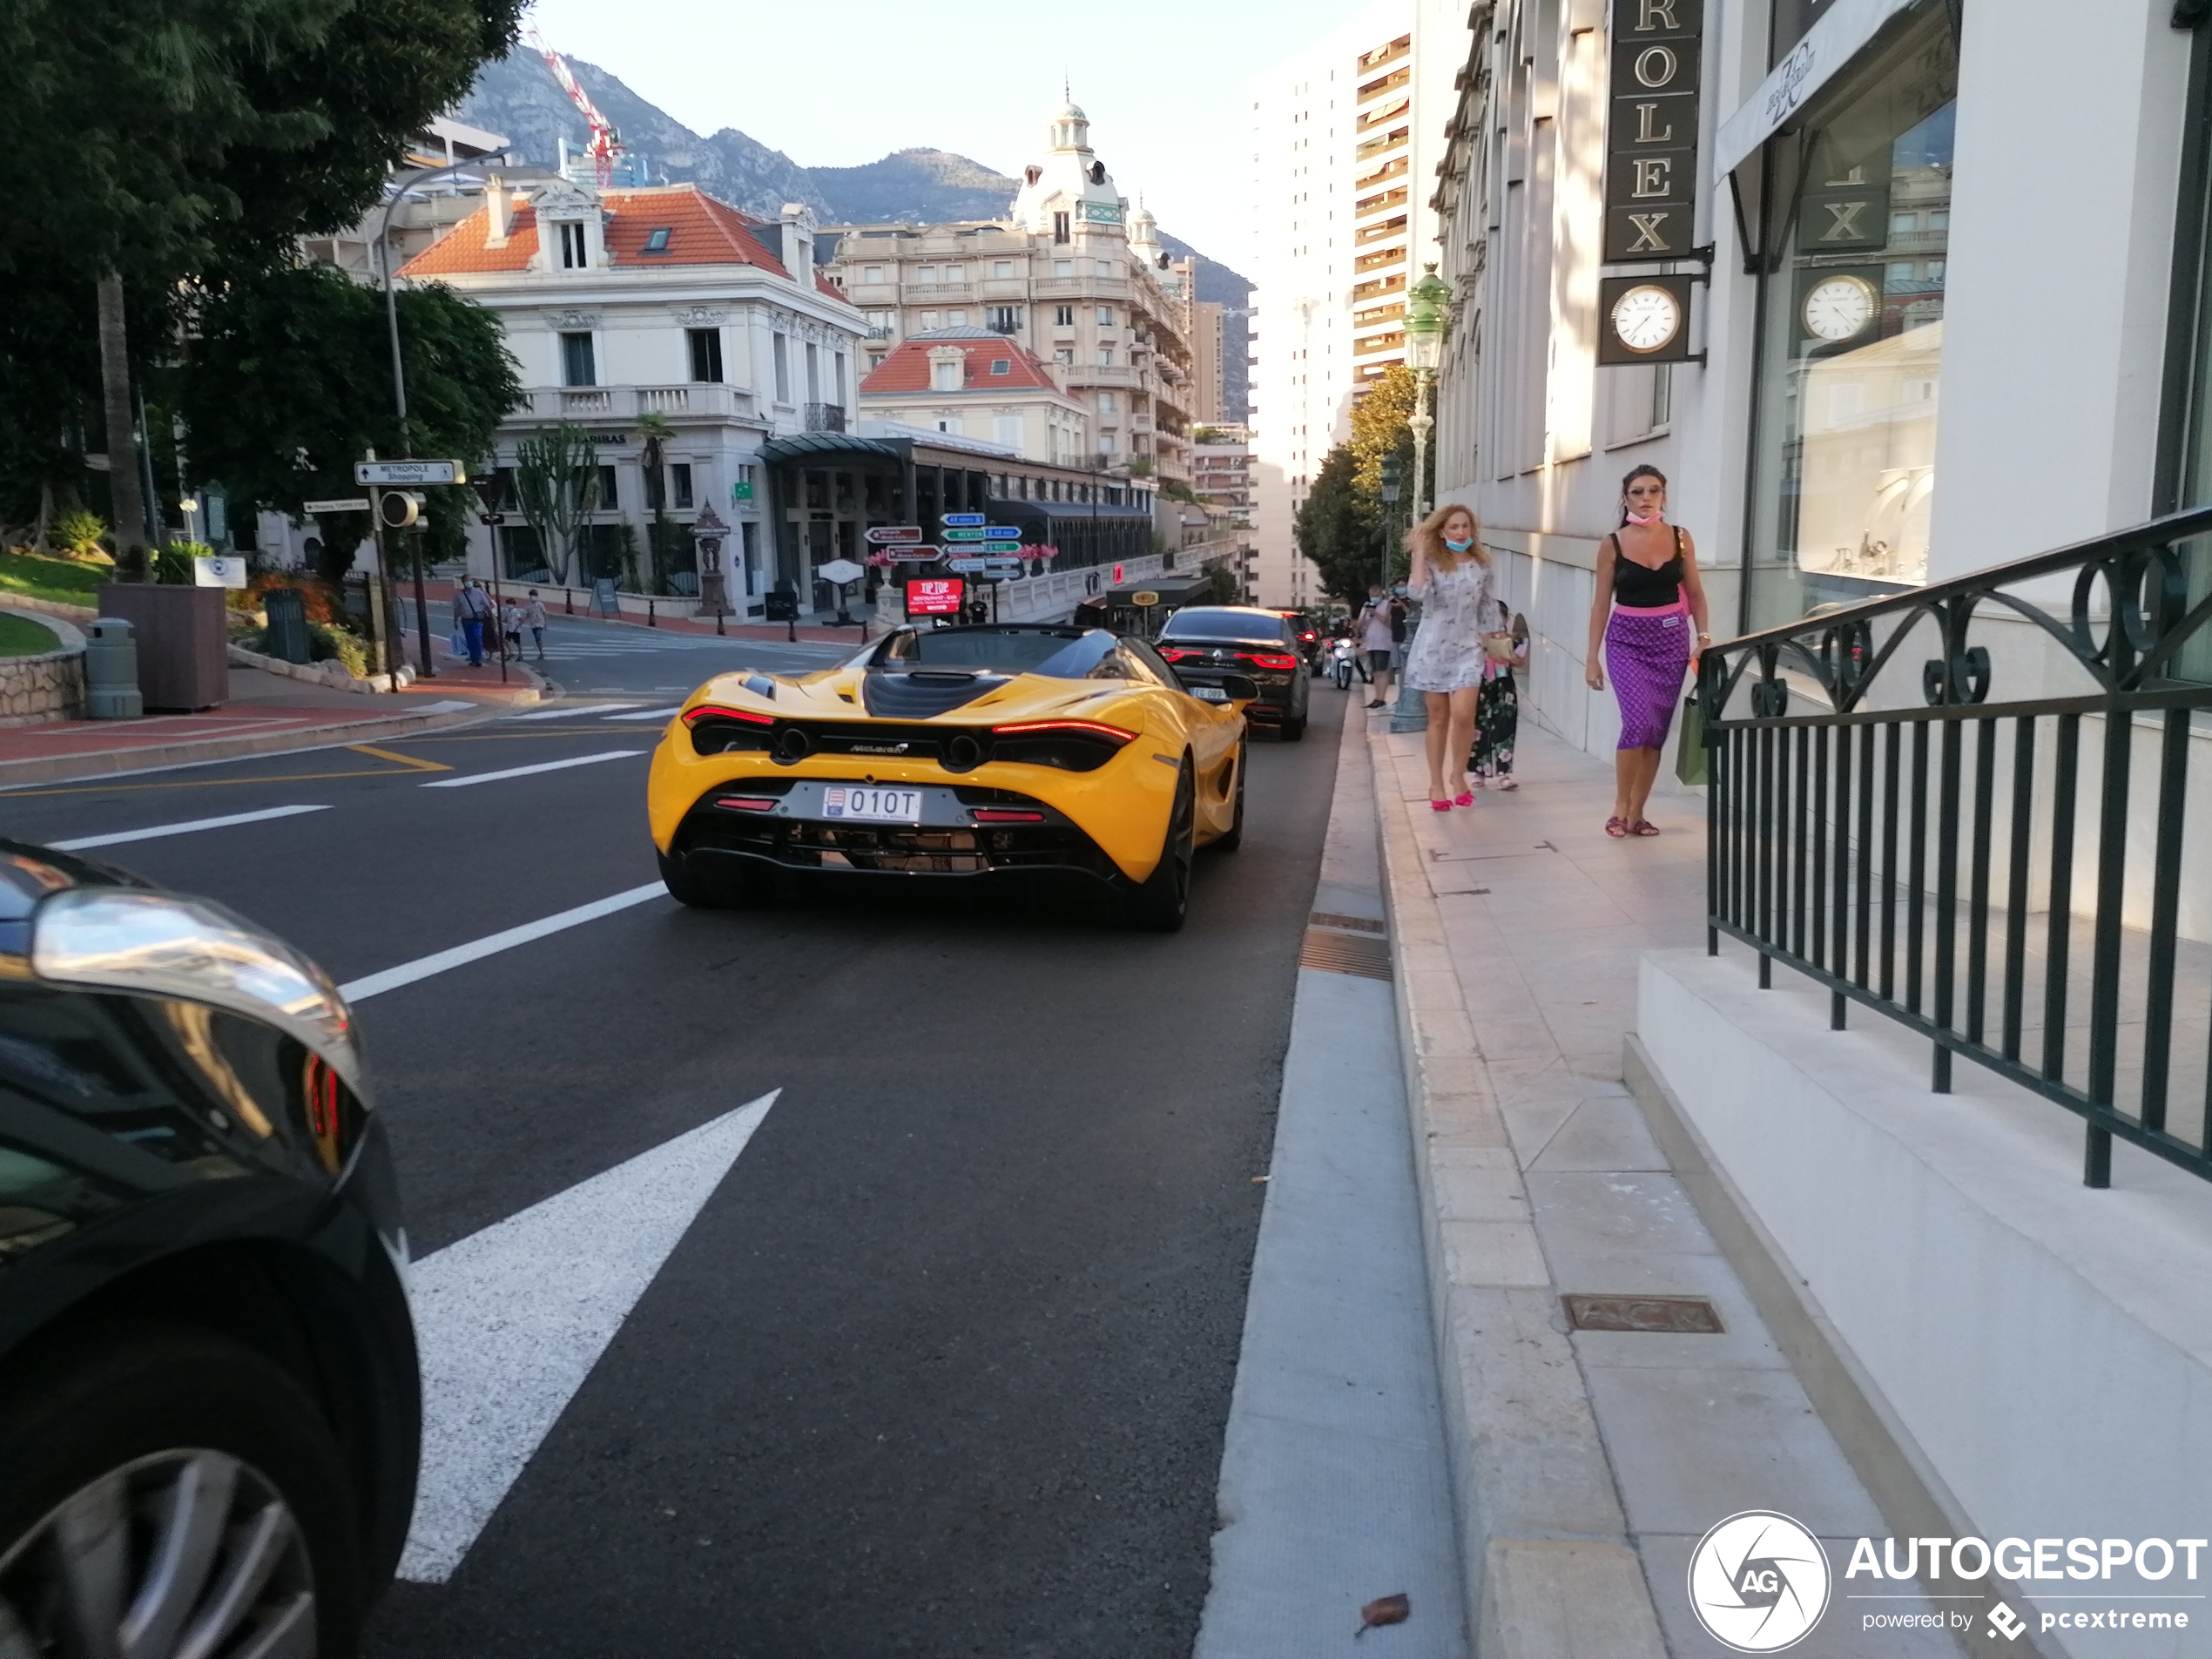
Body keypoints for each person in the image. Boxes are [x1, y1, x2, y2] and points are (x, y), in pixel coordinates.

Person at [1584, 463, 1710, 838]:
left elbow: (1698, 593)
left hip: (1672, 641)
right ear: (1625, 498)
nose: (1645, 498)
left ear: (1663, 496)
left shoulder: (1681, 537)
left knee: (1656, 730)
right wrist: (1592, 658)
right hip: (1626, 640)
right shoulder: (1613, 544)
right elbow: (1600, 604)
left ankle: (1638, 813)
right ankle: (1620, 808)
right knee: (1637, 721)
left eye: (1653, 491)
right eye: (1637, 492)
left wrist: (1703, 638)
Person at [1400, 502, 1495, 811]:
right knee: (1439, 718)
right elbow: (1416, 594)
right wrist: (1418, 553)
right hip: (1433, 648)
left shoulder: (1481, 564)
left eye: (1465, 526)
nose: (1460, 531)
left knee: (1465, 715)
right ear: (1442, 531)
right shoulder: (1432, 562)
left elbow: (1487, 606)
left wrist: (1495, 640)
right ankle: (1436, 782)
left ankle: (1457, 774)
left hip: (1468, 648)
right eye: (1454, 527)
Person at [1471, 597, 1527, 790]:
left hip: (1505, 688)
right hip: (1482, 686)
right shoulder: (1475, 639)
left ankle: (1504, 772)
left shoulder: (1514, 639)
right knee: (1480, 728)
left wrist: (1510, 658)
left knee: (1505, 728)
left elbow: (1521, 662)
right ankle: (1479, 772)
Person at [1358, 583, 1399, 709]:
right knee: (1375, 672)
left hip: (1383, 643)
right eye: (1372, 596)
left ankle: (1381, 698)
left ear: (1382, 594)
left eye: (1376, 595)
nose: (1374, 598)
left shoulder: (1387, 604)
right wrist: (1366, 613)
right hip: (1371, 643)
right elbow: (1359, 625)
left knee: (1382, 671)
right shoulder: (1366, 607)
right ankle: (1376, 697)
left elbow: (1387, 621)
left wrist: (1375, 613)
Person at [453, 578, 494, 669]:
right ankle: (474, 659)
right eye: (466, 581)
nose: (468, 582)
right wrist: (455, 621)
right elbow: (457, 609)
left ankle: (478, 658)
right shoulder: (459, 595)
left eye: (469, 580)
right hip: (466, 620)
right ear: (463, 583)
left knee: (477, 637)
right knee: (470, 639)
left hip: (477, 619)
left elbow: (487, 605)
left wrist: (492, 617)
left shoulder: (479, 593)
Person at [500, 596, 525, 661]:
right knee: (505, 640)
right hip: (509, 629)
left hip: (515, 630)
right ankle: (510, 652)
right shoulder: (507, 611)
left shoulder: (515, 612)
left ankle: (520, 655)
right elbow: (506, 619)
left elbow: (521, 620)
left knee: (517, 643)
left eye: (510, 604)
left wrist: (518, 626)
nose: (509, 605)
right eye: (508, 604)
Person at [525, 589, 549, 661]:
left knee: (538, 636)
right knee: (536, 638)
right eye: (531, 596)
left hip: (540, 623)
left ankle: (541, 652)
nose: (532, 597)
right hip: (533, 624)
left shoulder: (540, 605)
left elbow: (544, 613)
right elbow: (528, 615)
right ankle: (540, 651)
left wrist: (545, 624)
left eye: (534, 595)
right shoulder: (529, 606)